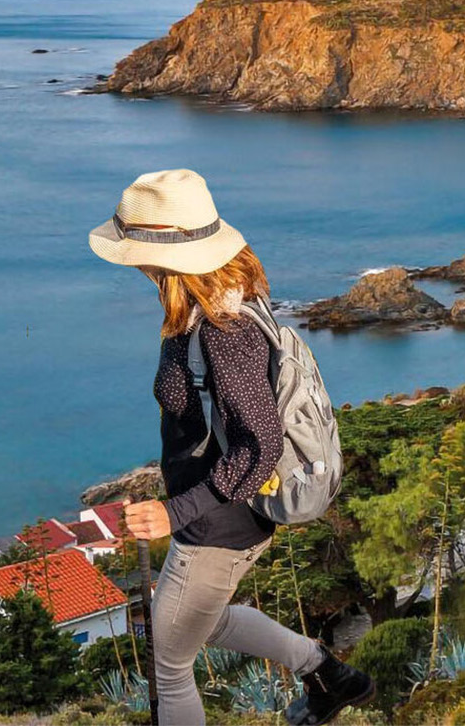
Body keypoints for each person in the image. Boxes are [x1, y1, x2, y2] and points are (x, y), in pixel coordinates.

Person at [89, 169, 375, 726]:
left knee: (168, 663)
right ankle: (328, 675)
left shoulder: (224, 331)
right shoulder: (227, 300)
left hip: (217, 527)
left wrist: (176, 512)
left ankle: (327, 674)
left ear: (165, 258)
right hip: (230, 517)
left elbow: (261, 445)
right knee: (204, 618)